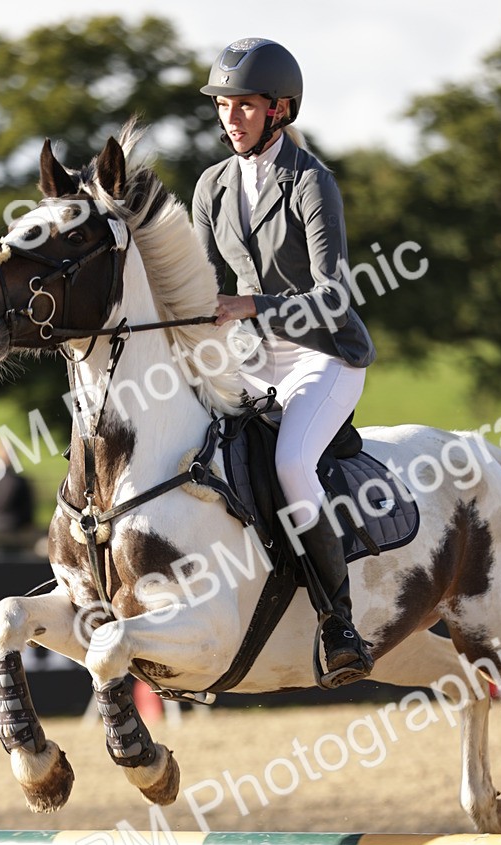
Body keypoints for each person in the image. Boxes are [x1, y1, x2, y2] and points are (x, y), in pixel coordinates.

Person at [193, 37, 376, 688]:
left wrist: (250, 305)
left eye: (244, 105)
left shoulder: (311, 182)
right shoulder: (211, 186)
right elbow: (202, 290)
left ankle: (339, 624)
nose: (230, 117)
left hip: (324, 356)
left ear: (280, 109)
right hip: (251, 361)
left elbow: (333, 298)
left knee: (292, 462)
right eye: (223, 105)